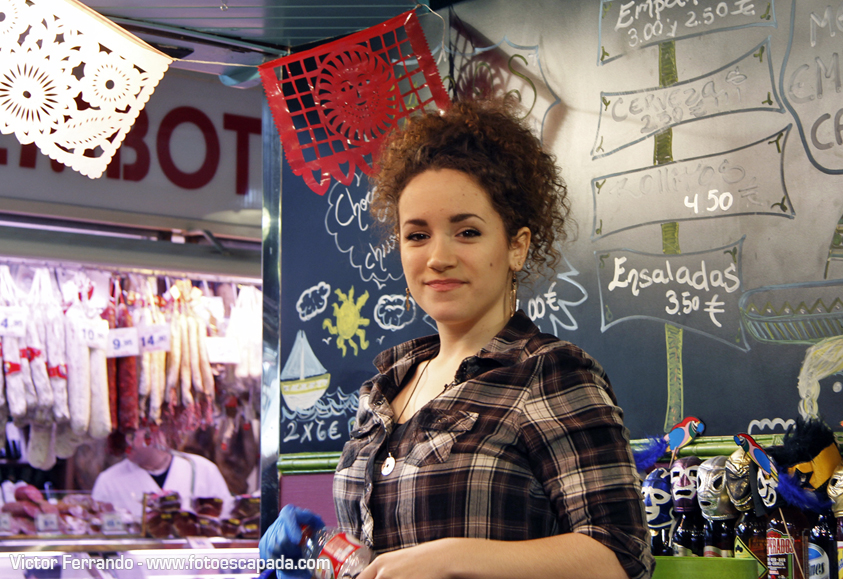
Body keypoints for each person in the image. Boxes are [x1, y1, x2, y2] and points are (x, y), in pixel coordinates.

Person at [262, 97, 654, 579]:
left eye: (466, 232)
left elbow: (620, 557)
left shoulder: (549, 373)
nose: (438, 257)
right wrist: (317, 562)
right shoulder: (385, 388)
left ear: (516, 245)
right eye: (417, 235)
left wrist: (451, 560)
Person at [92, 427, 234, 520]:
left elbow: (227, 517)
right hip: (134, 565)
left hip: (194, 564)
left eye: (132, 434)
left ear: (156, 432)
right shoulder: (108, 480)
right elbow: (96, 535)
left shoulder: (202, 469)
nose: (126, 441)